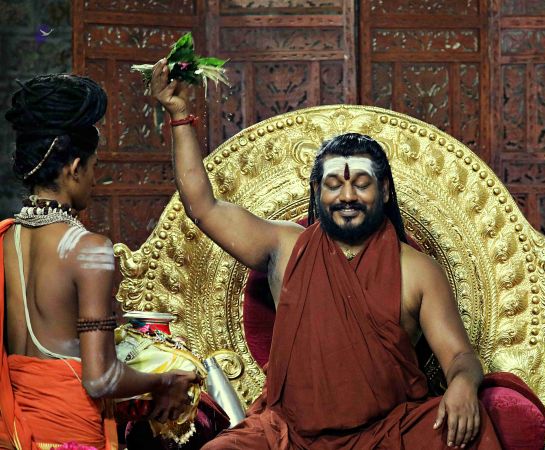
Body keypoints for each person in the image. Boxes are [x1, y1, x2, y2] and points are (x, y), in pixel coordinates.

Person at [151, 59, 502, 450]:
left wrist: (463, 385)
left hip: (388, 432)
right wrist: (180, 116)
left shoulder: (417, 270)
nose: (347, 196)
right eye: (334, 184)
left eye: (362, 184)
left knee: (473, 434)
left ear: (385, 191)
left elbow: (459, 355)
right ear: (318, 191)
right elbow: (202, 207)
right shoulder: (285, 246)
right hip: (288, 434)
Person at [0, 74, 199, 450]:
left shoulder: (5, 240)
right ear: (74, 168)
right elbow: (101, 379)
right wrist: (166, 380)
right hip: (71, 435)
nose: (95, 178)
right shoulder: (89, 249)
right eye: (93, 166)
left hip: (13, 434)